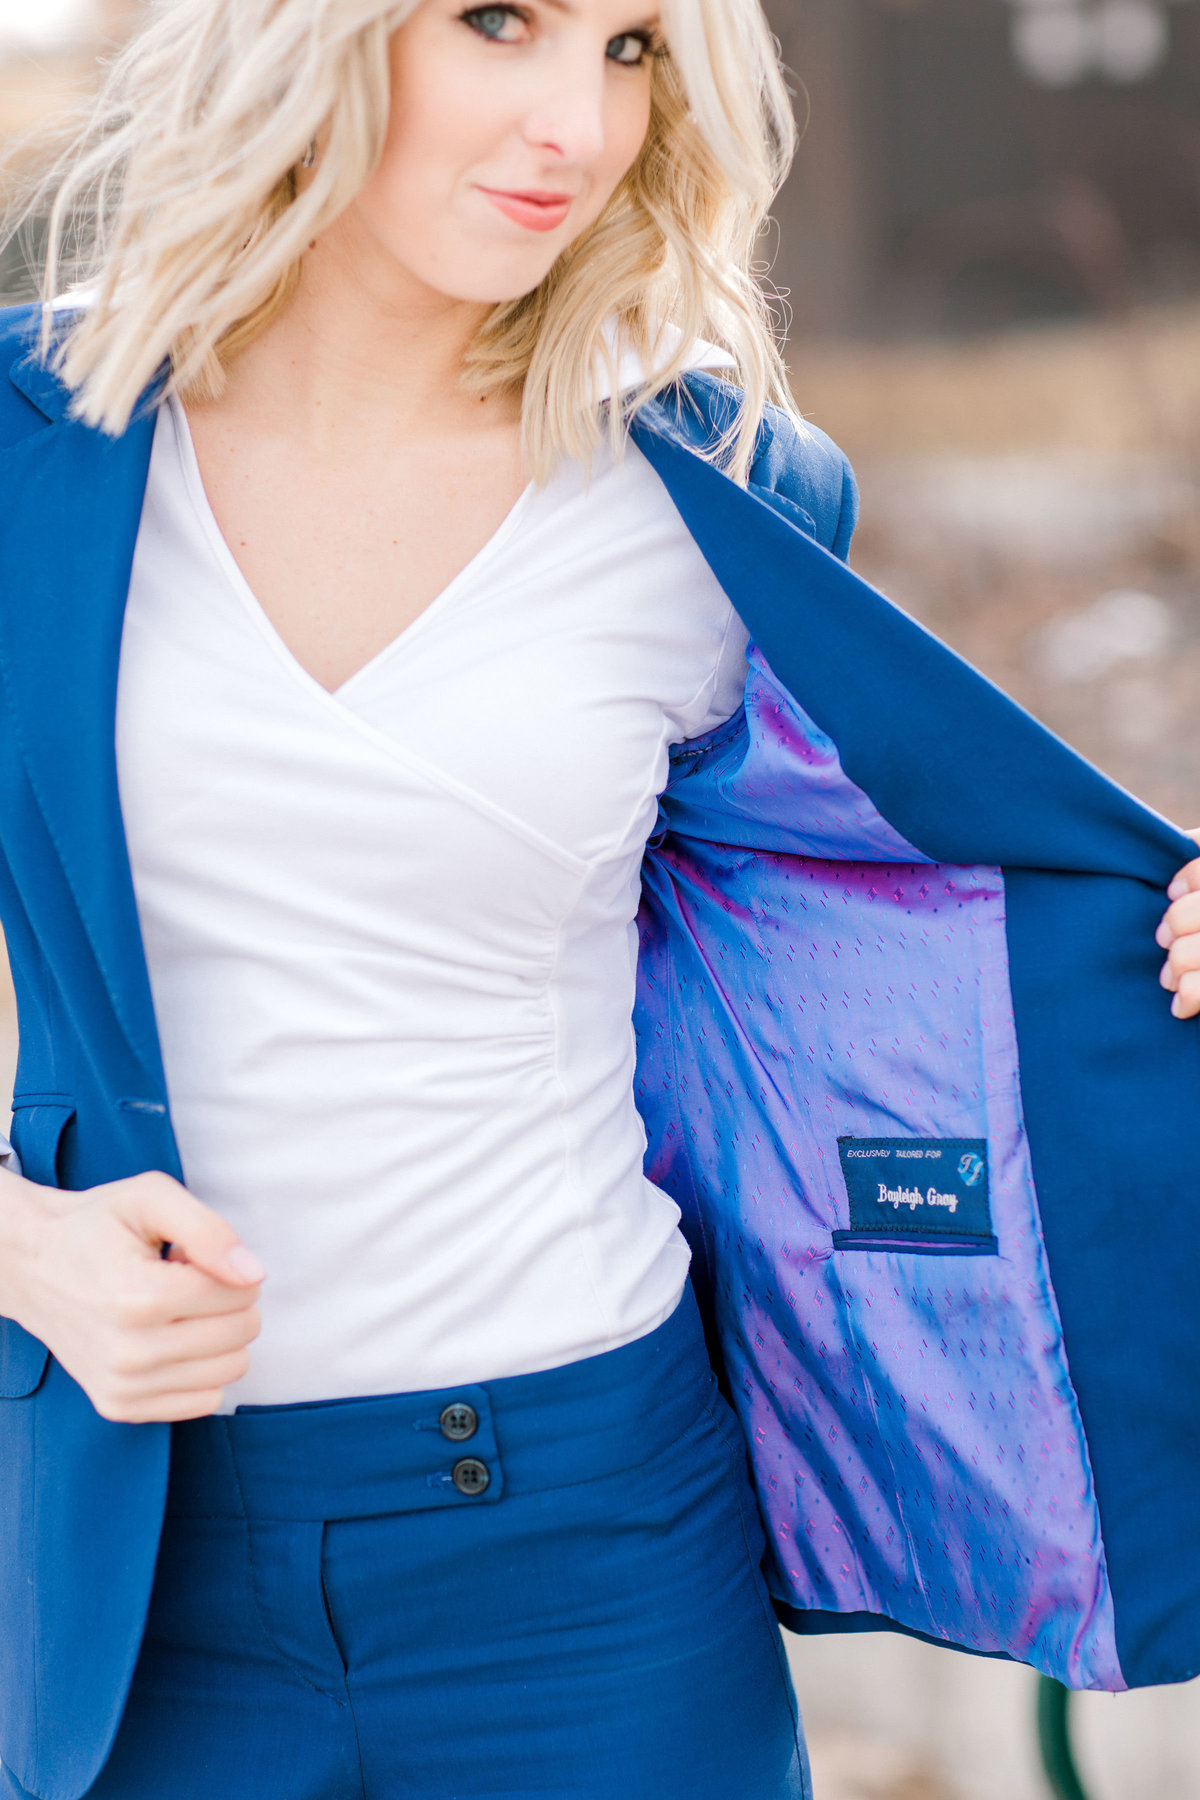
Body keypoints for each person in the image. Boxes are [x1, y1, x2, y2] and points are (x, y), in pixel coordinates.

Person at [0, 0, 1199, 1795]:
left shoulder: (709, 496)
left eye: (635, 48)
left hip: (598, 1541)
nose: (580, 117)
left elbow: (936, 899)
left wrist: (1167, 912)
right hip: (123, 1557)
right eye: (501, 23)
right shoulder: (35, 455)